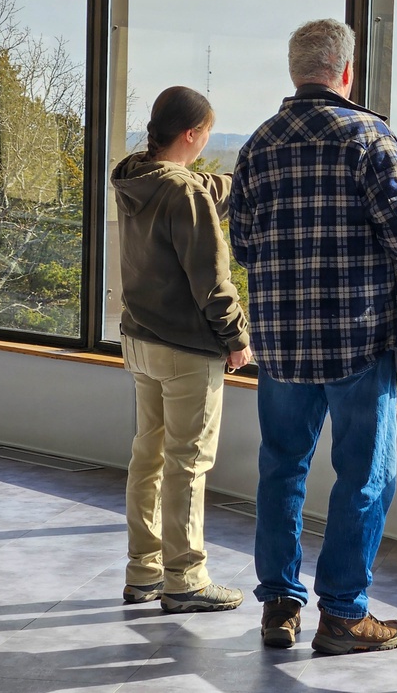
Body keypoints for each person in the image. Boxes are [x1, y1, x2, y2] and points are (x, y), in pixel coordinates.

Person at [229, 18, 397, 652]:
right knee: (365, 477)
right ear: (345, 72)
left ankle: (278, 607)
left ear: (297, 73)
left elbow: (242, 244)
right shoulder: (370, 139)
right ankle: (345, 614)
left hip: (282, 342)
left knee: (281, 469)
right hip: (356, 337)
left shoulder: (257, 145)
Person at [112, 85, 253, 613]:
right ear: (192, 134)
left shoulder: (135, 175)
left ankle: (143, 571)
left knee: (147, 455)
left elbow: (191, 186)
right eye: (206, 136)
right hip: (185, 349)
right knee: (187, 463)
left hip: (140, 340)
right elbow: (212, 280)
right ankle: (186, 579)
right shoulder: (182, 193)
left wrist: (237, 183)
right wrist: (236, 338)